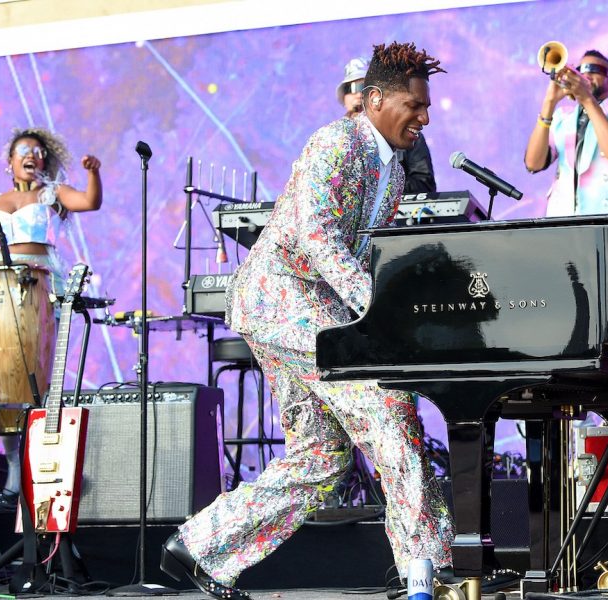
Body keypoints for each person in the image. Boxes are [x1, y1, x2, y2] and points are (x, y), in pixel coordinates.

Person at [161, 42, 454, 600]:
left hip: (310, 309)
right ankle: (429, 575)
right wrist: (374, 309)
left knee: (321, 457)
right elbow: (317, 233)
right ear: (373, 100)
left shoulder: (390, 172)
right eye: (414, 105)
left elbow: (361, 250)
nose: (424, 115)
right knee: (386, 405)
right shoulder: (335, 141)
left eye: (426, 106)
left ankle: (200, 547)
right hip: (282, 299)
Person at [0, 127, 102, 504]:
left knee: (37, 375)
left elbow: (90, 201)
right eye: (23, 150)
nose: (32, 154)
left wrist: (93, 172)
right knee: (1, 375)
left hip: (41, 283)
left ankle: (42, 467)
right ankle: (12, 467)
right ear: (10, 161)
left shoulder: (52, 194)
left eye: (38, 150)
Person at [524, 48, 608, 216]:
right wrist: (549, 102)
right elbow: (533, 163)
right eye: (580, 70)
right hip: (565, 221)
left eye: (596, 70)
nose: (586, 74)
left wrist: (587, 98)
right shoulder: (563, 117)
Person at [338, 55, 437, 194]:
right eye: (351, 88)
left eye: (363, 86)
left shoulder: (410, 135)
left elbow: (425, 185)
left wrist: (380, 186)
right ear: (343, 98)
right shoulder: (334, 141)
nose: (358, 94)